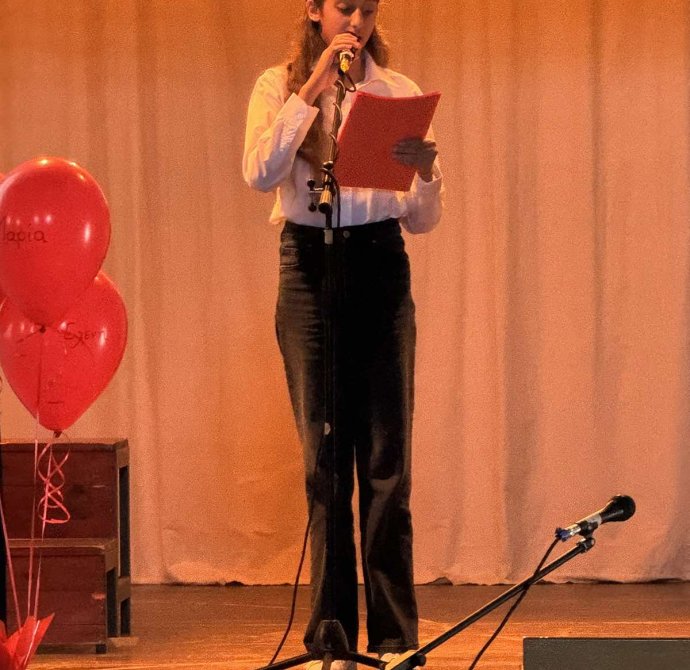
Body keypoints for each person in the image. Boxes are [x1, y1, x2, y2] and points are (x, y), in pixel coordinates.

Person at [243, 1, 444, 667]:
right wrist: (313, 89)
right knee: (325, 465)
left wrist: (426, 170)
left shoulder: (397, 91)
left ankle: (394, 640)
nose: (355, 20)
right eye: (343, 7)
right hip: (309, 268)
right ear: (314, 11)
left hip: (379, 264)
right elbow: (259, 173)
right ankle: (331, 639)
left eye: (367, 8)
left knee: (387, 463)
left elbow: (421, 220)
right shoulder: (279, 86)